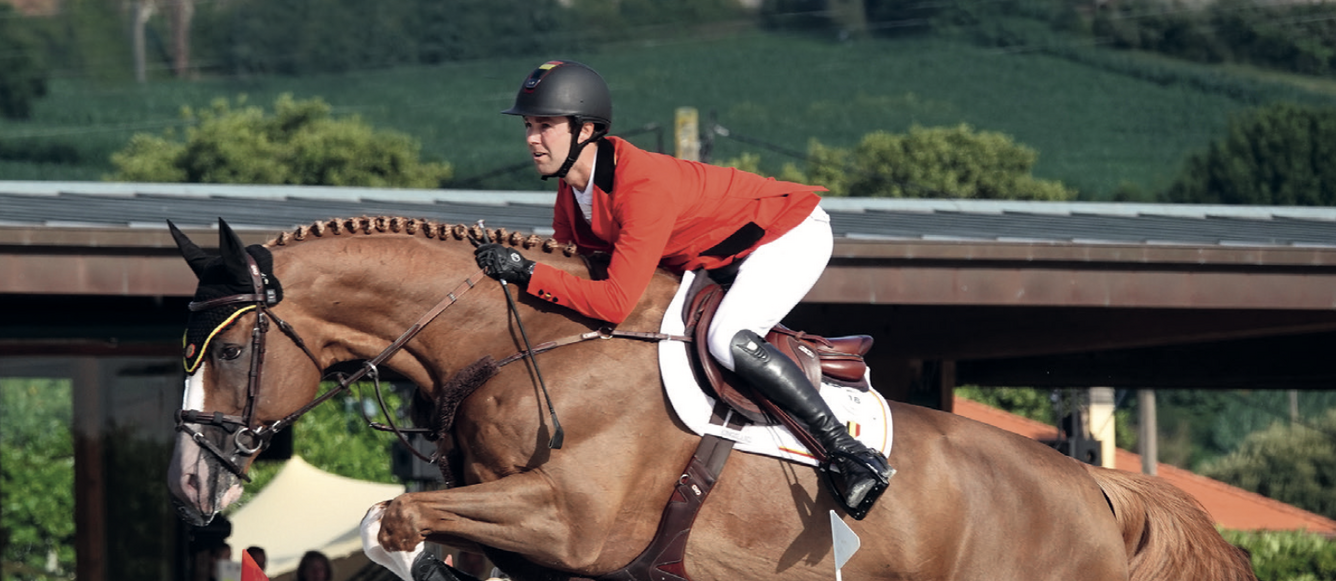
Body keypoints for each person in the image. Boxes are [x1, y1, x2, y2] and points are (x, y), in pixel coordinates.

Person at [473, 60, 893, 518]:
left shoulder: (641, 186)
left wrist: (526, 272)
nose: (532, 138)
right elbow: (571, 268)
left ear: (586, 129)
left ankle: (850, 455)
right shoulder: (572, 193)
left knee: (727, 337)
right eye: (530, 125)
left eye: (545, 126)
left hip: (788, 234)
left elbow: (612, 302)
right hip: (718, 254)